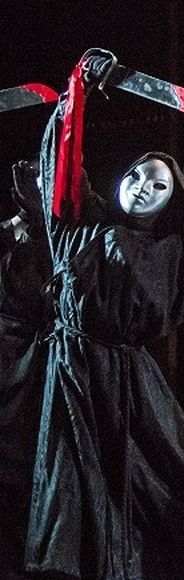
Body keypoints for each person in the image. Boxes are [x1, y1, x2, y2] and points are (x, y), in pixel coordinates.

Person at [28, 50, 184, 580]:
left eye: (158, 184)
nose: (143, 185)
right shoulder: (79, 223)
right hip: (70, 372)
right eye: (139, 175)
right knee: (67, 480)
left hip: (126, 383)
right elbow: (61, 162)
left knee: (170, 475)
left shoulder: (177, 260)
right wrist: (78, 93)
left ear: (168, 203)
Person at [1, 161, 49, 580]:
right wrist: (23, 220)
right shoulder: (13, 231)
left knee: (20, 467)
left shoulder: (63, 238)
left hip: (31, 364)